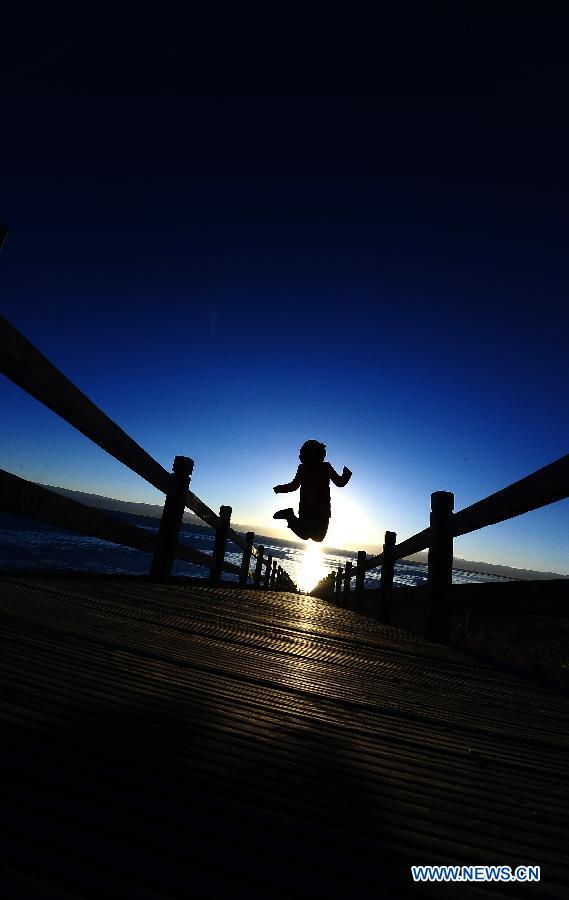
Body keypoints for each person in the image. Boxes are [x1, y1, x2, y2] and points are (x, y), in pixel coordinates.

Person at [273, 439, 352, 542]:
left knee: (317, 537)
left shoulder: (324, 467)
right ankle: (289, 515)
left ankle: (289, 516)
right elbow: (294, 485)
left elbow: (339, 482)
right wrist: (280, 488)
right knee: (307, 535)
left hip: (320, 509)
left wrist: (346, 474)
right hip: (309, 508)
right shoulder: (305, 468)